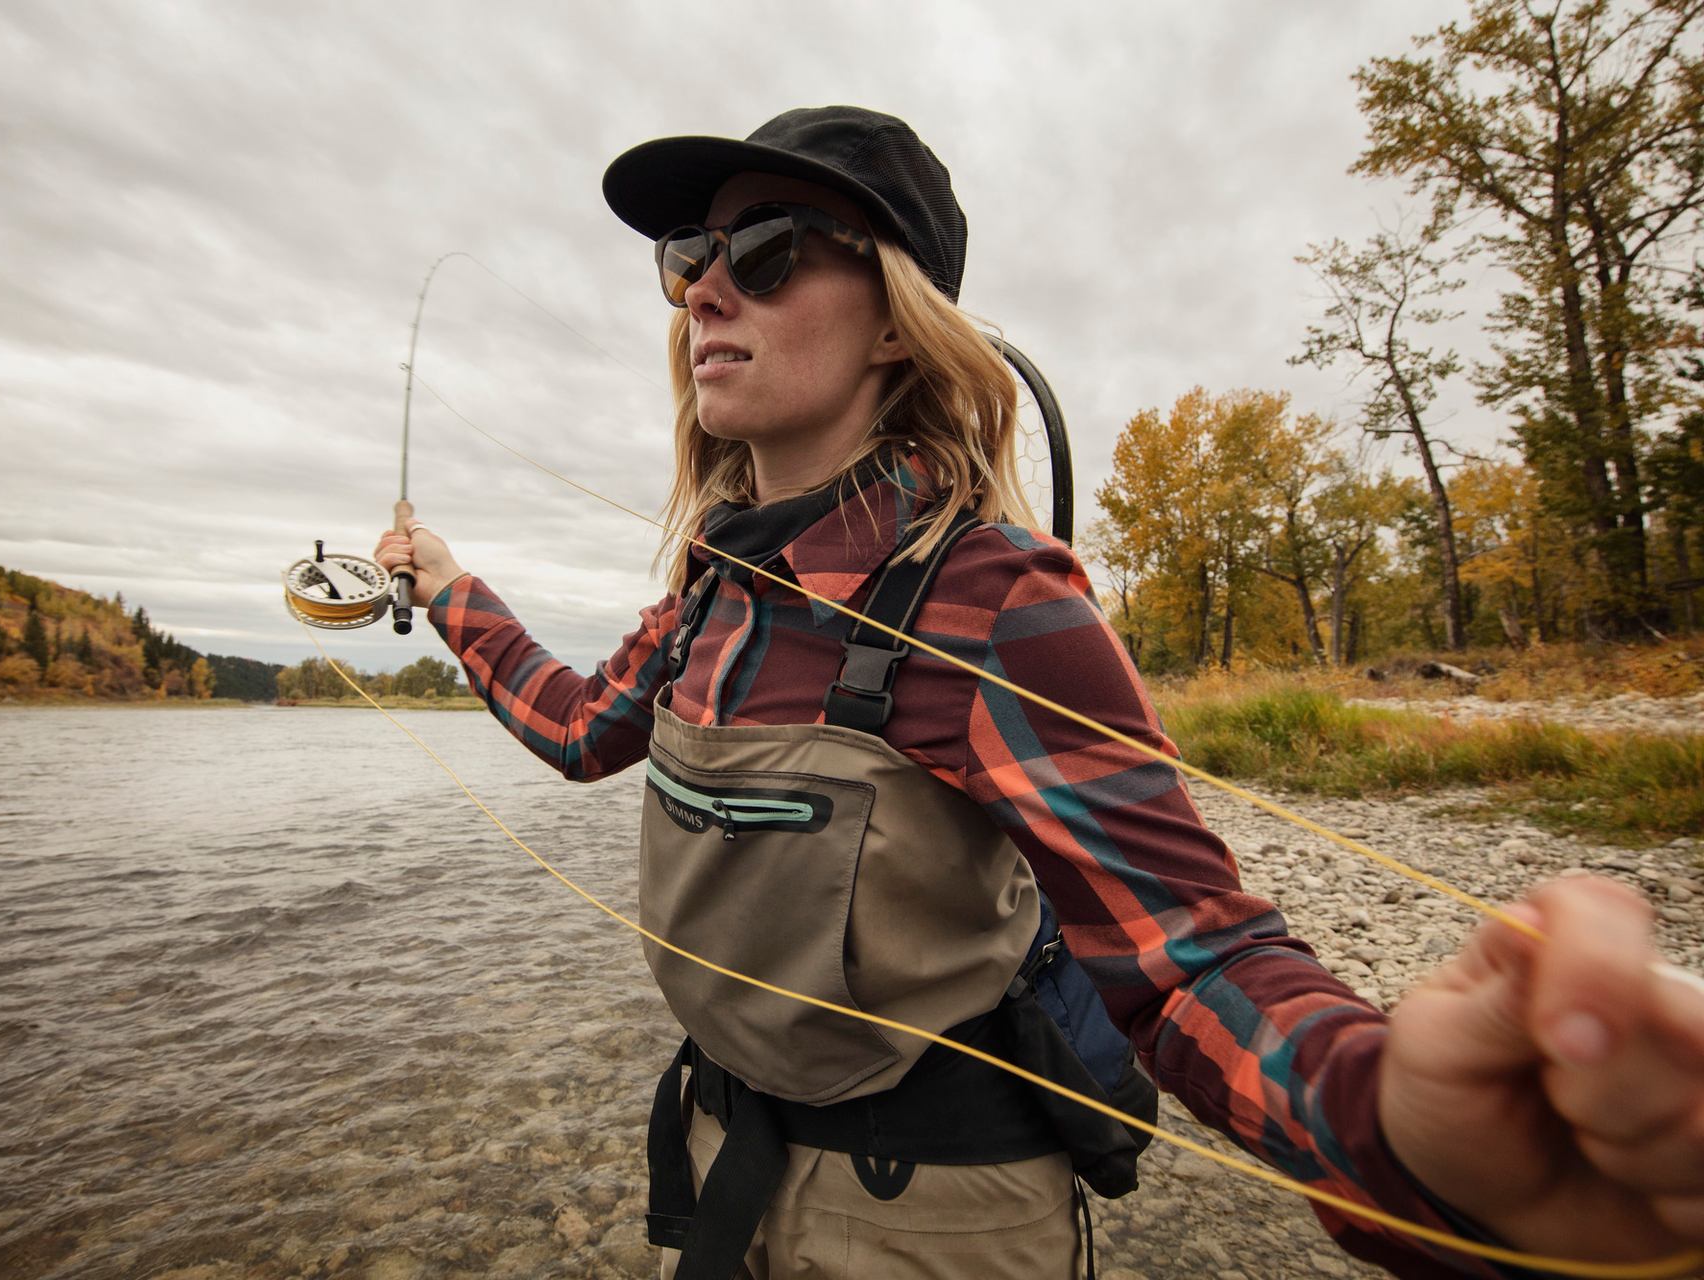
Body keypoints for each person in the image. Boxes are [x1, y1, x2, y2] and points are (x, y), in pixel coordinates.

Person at [376, 106, 1704, 1279]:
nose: (703, 294)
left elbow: (1192, 964)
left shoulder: (1001, 598)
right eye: (688, 259)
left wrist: (1391, 1128)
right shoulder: (713, 586)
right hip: (733, 1158)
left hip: (938, 1220)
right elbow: (581, 728)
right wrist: (446, 588)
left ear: (897, 319)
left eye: (766, 250)